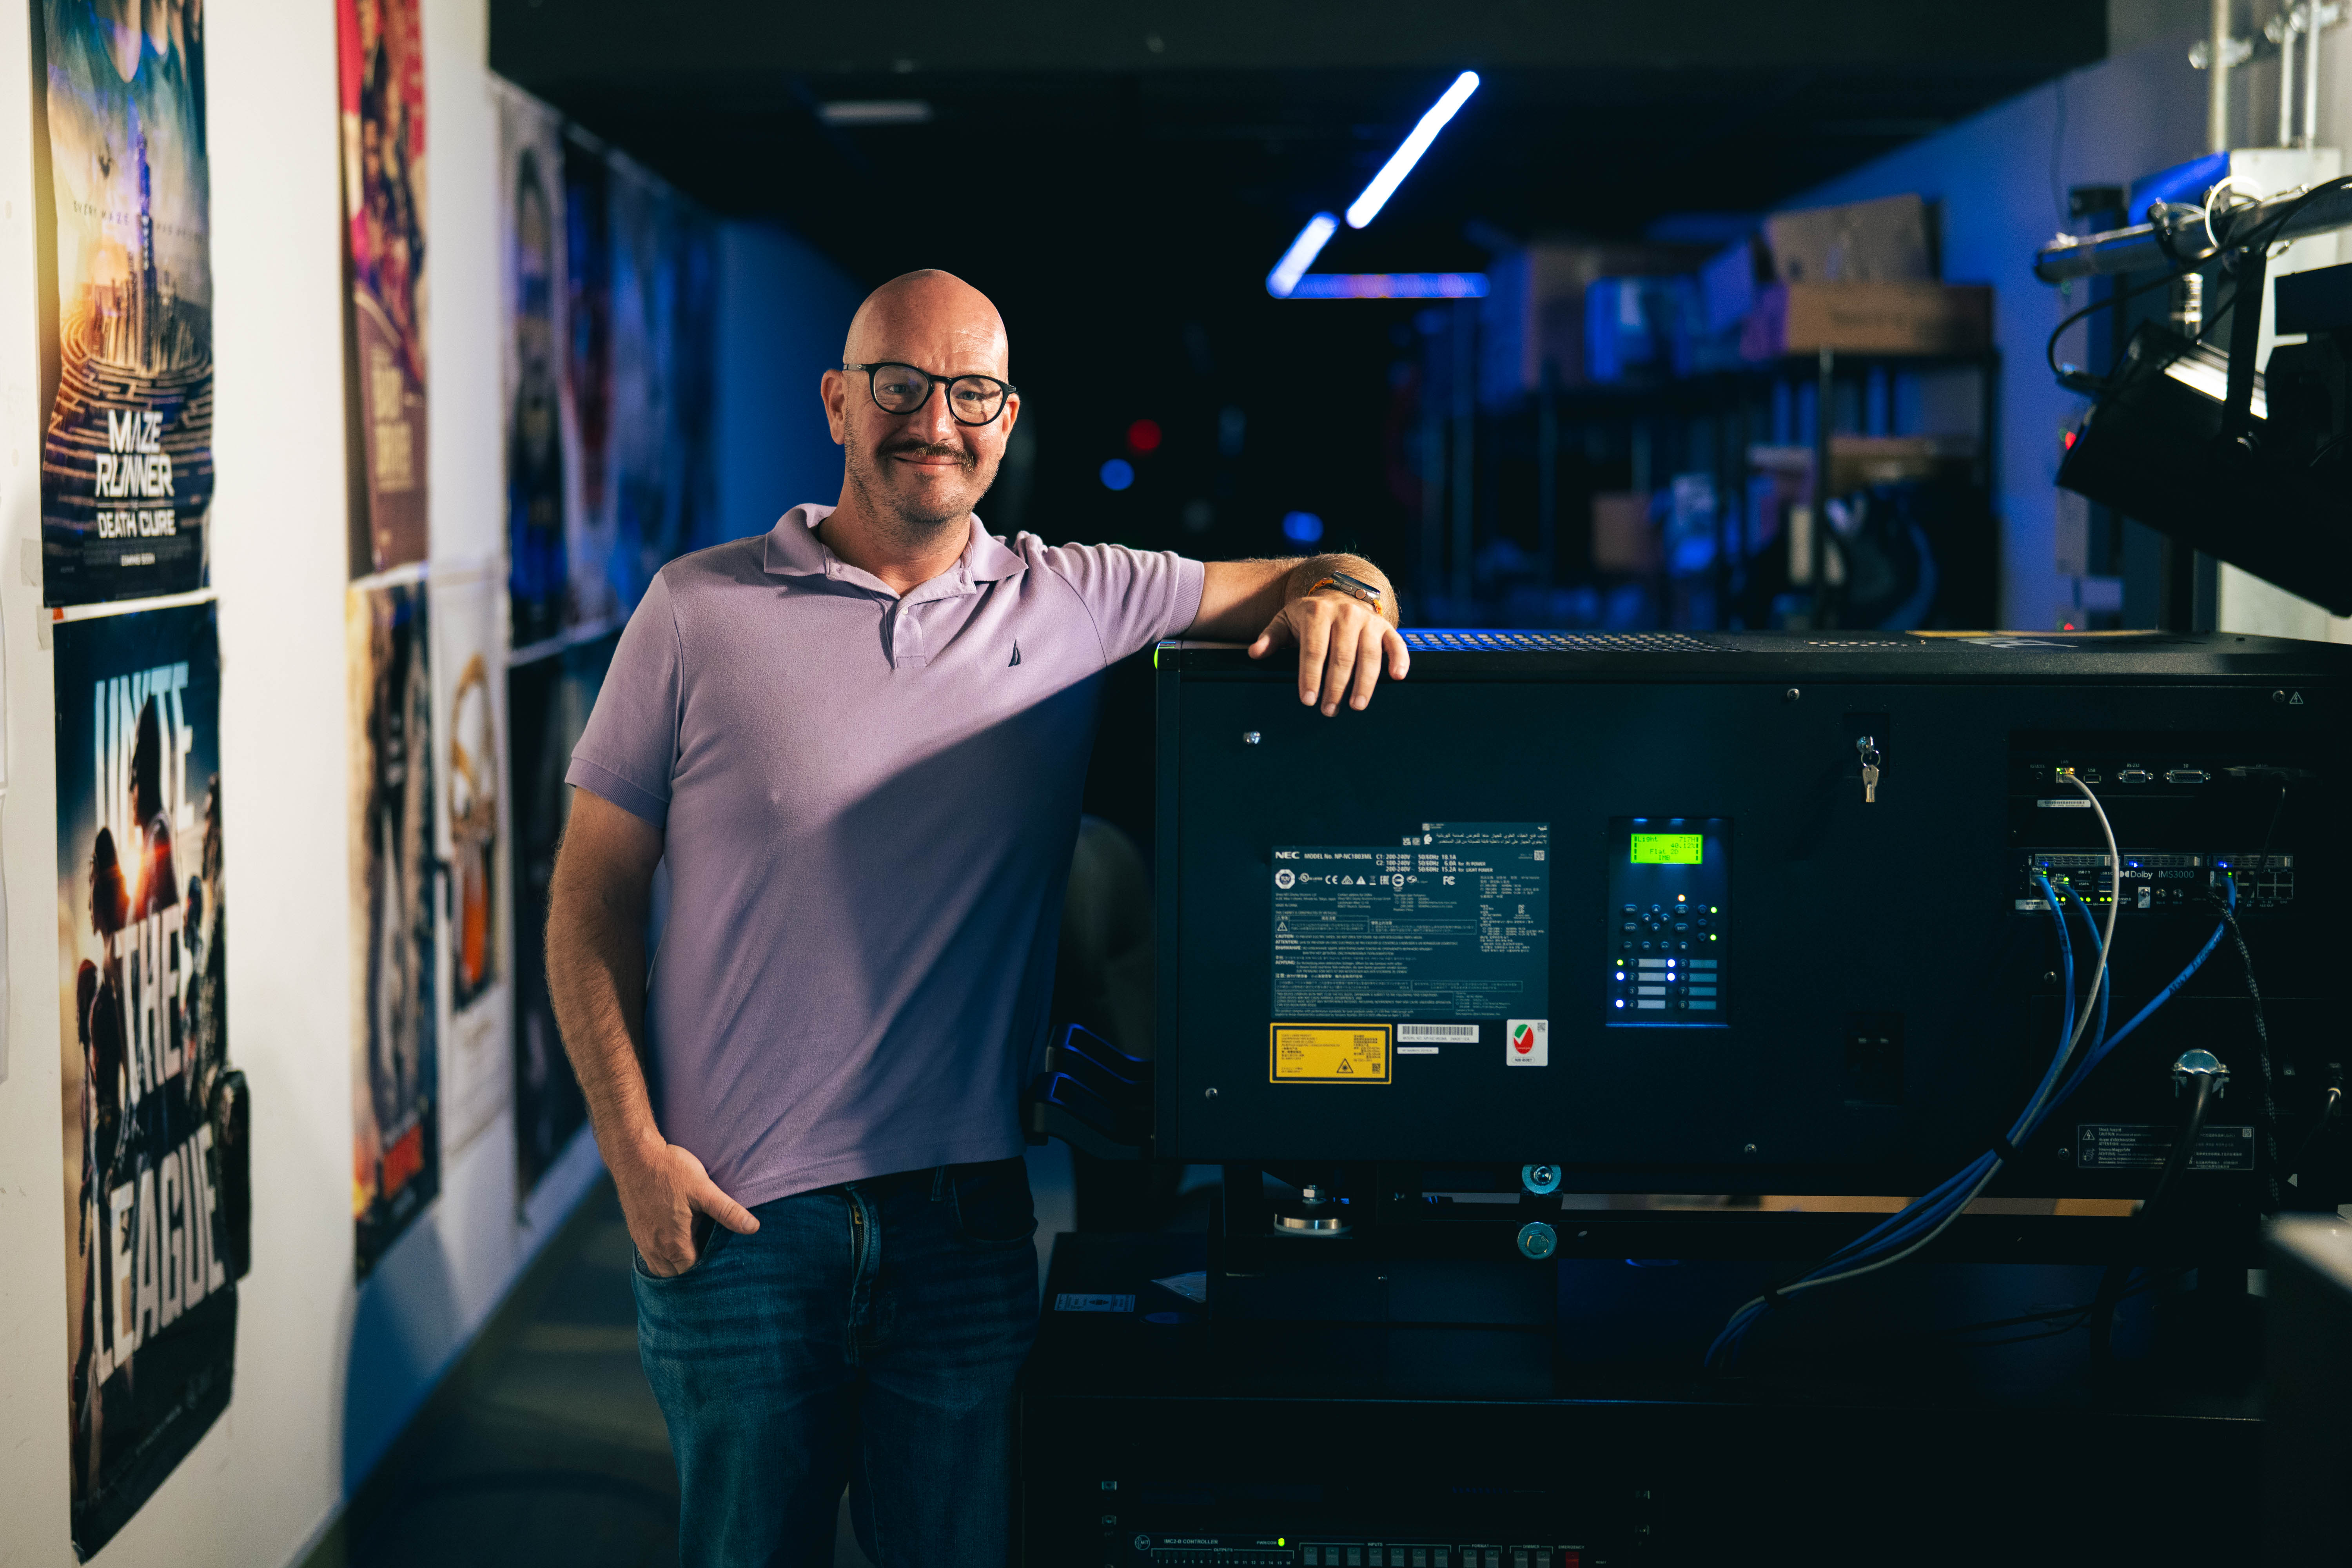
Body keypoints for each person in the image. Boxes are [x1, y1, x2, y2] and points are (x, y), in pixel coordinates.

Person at [545, 269, 1407, 1567]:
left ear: (1008, 419)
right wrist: (632, 1156)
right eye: (899, 385)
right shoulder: (695, 608)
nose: (934, 421)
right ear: (839, 402)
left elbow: (1316, 570)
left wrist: (1355, 599)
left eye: (971, 393)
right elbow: (589, 897)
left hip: (965, 1231)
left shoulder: (1072, 599)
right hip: (735, 1227)